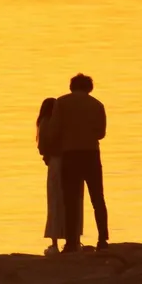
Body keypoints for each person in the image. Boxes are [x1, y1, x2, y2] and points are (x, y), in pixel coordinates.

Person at [47, 74, 109, 252]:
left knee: (70, 199)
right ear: (89, 88)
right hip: (91, 153)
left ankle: (71, 242)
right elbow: (100, 133)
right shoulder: (97, 105)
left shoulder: (62, 103)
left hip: (70, 154)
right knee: (97, 198)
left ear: (71, 86)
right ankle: (103, 239)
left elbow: (54, 131)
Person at [36, 97, 84, 256]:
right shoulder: (66, 124)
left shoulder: (44, 123)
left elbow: (43, 147)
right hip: (71, 162)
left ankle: (55, 243)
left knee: (55, 201)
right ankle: (74, 240)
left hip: (56, 164)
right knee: (72, 201)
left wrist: (47, 156)